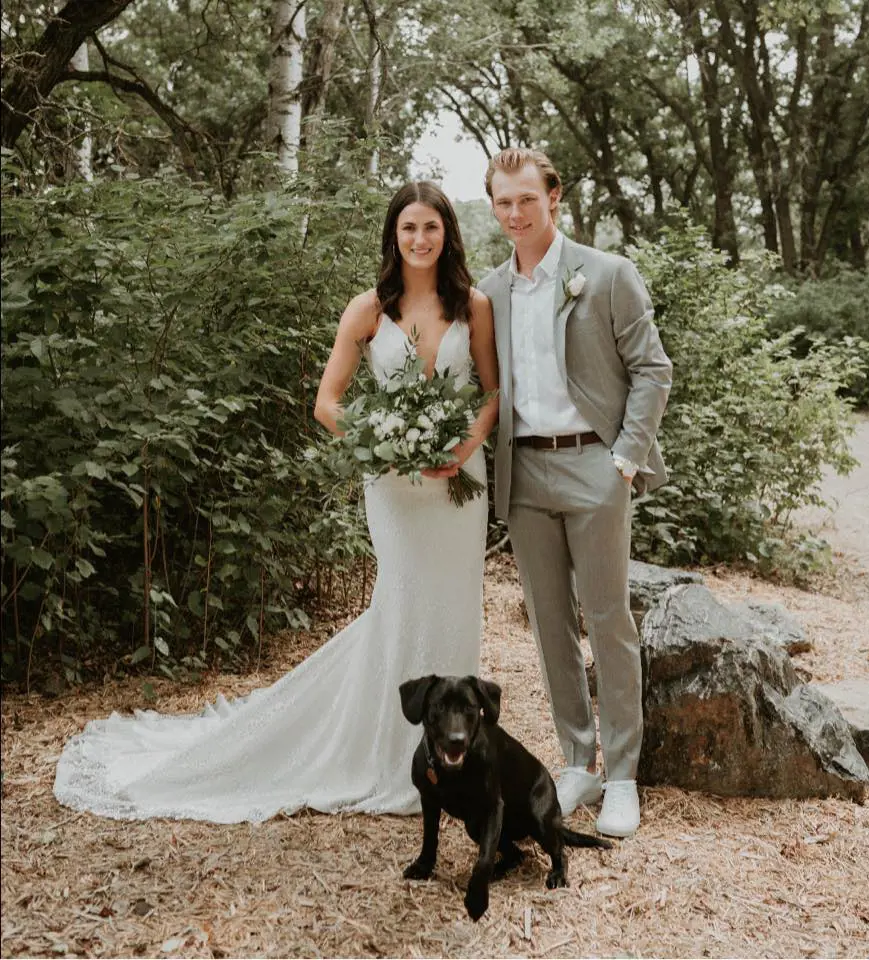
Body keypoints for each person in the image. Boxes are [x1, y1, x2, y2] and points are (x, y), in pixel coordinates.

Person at [53, 181, 499, 823]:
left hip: (460, 483)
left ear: (447, 234)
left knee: (455, 605)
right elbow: (327, 403)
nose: (420, 239)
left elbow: (489, 392)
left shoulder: (473, 306)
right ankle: (390, 756)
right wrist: (383, 447)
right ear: (393, 236)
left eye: (431, 227)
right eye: (409, 228)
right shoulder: (368, 310)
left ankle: (456, 756)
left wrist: (460, 450)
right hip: (395, 488)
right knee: (400, 600)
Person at [477, 148, 671, 838]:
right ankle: (578, 763)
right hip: (524, 473)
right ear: (492, 205)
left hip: (595, 465)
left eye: (527, 199)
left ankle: (622, 776)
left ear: (553, 197)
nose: (515, 214)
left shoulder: (608, 274)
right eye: (503, 202)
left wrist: (624, 457)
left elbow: (653, 370)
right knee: (549, 624)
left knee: (608, 619)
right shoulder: (490, 291)